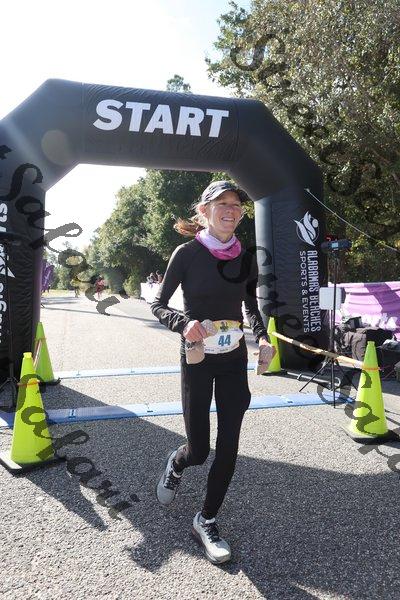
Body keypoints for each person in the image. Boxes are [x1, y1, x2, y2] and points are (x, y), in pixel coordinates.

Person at [151, 180, 275, 565]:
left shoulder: (246, 257)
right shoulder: (187, 254)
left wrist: (263, 337)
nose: (231, 210)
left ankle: (205, 520)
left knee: (230, 444)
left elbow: (250, 306)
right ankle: (177, 462)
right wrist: (182, 323)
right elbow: (158, 304)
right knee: (200, 450)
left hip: (233, 358)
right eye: (222, 204)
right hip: (198, 357)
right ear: (204, 211)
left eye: (237, 205)